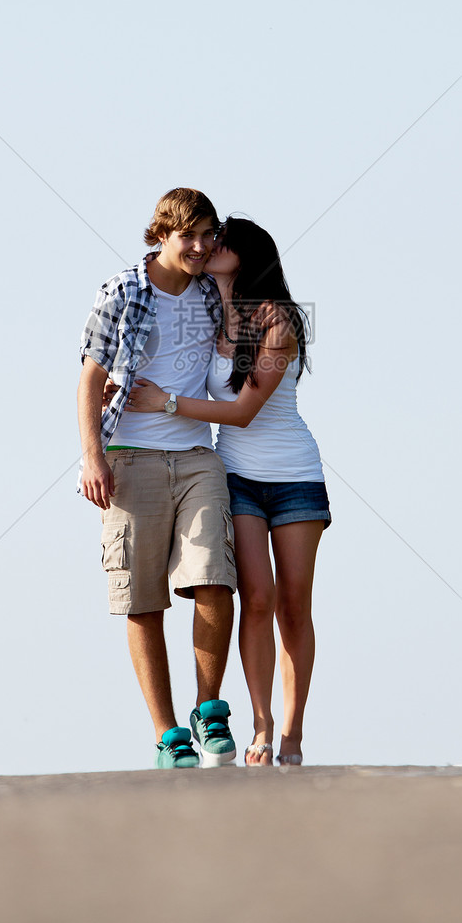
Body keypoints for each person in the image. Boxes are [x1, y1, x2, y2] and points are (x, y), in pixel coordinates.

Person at [126, 216, 330, 766]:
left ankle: (291, 733)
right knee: (255, 599)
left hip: (295, 478)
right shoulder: (206, 312)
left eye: (220, 240)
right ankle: (259, 727)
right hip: (236, 477)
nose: (207, 247)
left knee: (293, 605)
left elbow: (242, 412)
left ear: (246, 254)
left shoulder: (279, 321)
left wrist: (164, 403)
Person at [78, 188, 238, 769]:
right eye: (186, 236)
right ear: (161, 235)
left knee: (215, 578)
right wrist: (93, 457)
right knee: (143, 601)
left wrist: (222, 282)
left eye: (207, 235)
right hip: (129, 456)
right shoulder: (122, 290)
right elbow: (90, 379)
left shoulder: (210, 294)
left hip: (197, 455)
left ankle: (210, 708)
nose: (198, 247)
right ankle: (168, 734)